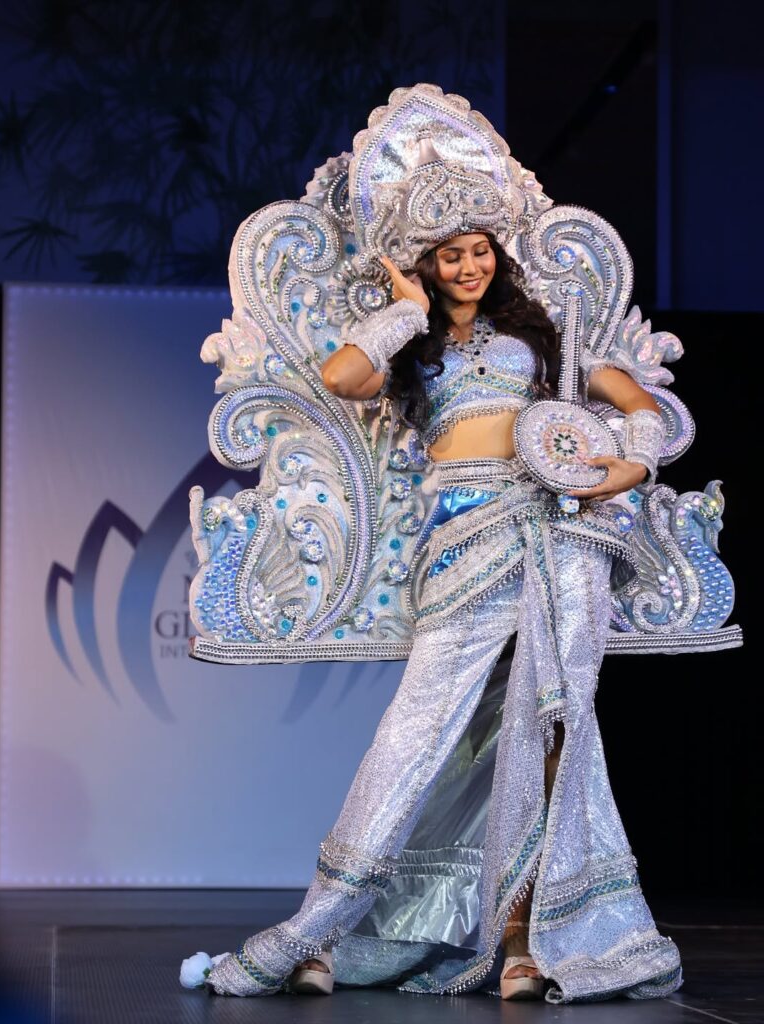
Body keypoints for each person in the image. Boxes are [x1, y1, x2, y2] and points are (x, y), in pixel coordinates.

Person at [180, 84, 682, 1003]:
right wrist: (405, 308)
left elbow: (639, 405)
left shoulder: (547, 339)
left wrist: (628, 466)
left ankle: (527, 944)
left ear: (499, 253)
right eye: (449, 255)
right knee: (412, 737)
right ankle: (324, 930)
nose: (469, 266)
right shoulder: (413, 349)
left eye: (480, 250)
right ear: (426, 264)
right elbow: (343, 375)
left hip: (558, 536)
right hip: (460, 548)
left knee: (553, 730)